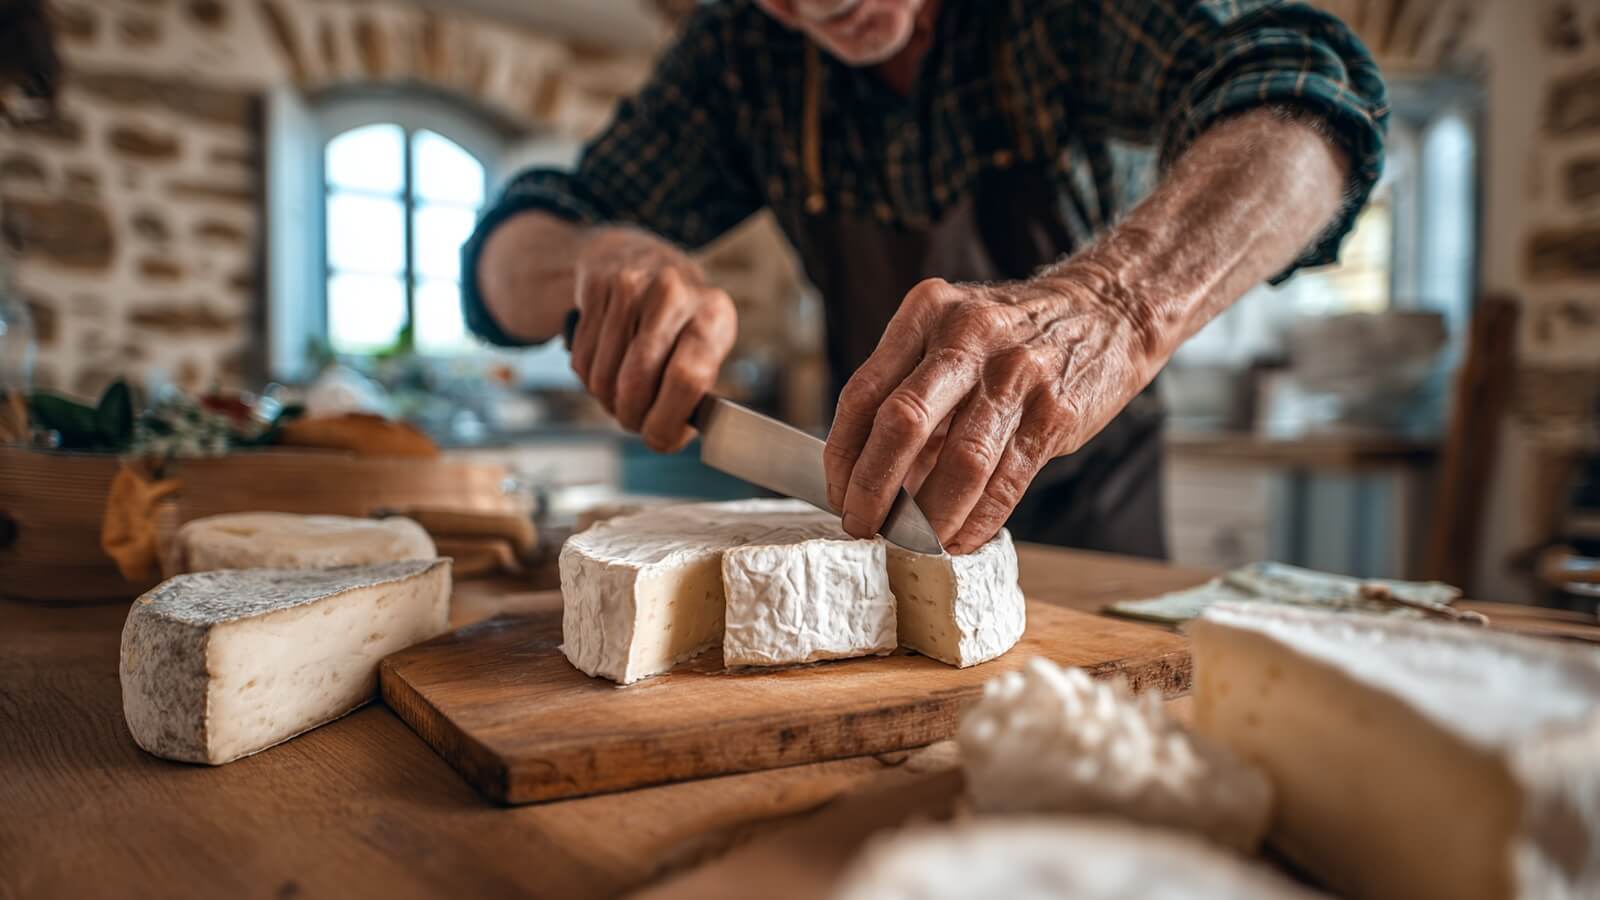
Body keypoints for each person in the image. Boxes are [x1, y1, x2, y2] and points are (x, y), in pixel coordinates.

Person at [463, 0, 1386, 556]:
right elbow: (507, 261)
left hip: (1097, 512)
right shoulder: (742, 52)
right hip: (878, 501)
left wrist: (1115, 305)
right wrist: (594, 259)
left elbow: (1305, 93)